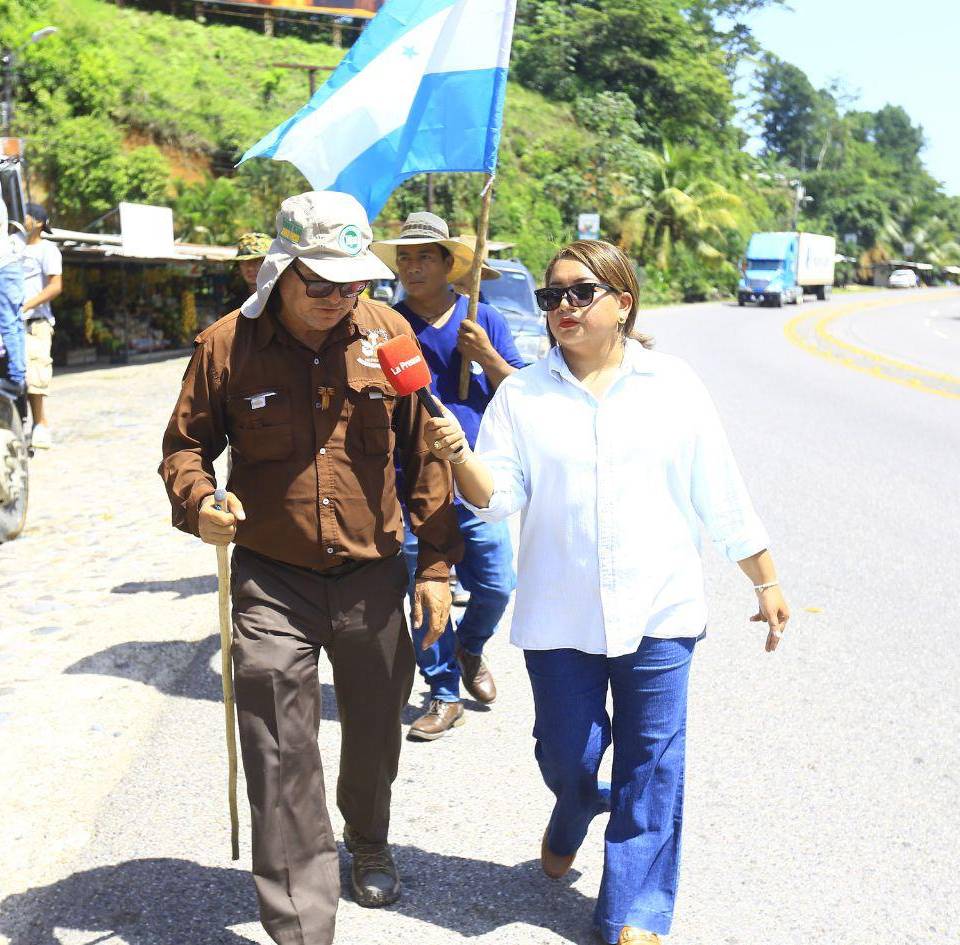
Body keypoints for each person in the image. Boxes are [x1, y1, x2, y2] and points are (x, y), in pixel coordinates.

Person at [424, 240, 791, 945]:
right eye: (551, 295)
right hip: (561, 617)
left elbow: (720, 490)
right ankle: (574, 806)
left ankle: (635, 911)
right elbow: (496, 498)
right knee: (569, 754)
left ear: (623, 302)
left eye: (580, 291)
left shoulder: (672, 384)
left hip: (661, 609)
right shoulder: (522, 395)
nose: (562, 305)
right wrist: (460, 455)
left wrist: (765, 578)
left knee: (652, 763)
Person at [159, 191, 463, 945]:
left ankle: (368, 837)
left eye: (352, 282)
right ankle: (302, 924)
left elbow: (428, 449)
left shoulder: (389, 335)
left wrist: (435, 566)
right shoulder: (227, 346)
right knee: (279, 750)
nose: (338, 298)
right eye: (320, 282)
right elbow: (185, 447)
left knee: (374, 733)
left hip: (373, 577)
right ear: (281, 269)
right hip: (272, 580)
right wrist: (200, 502)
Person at [372, 212, 526, 740]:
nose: (412, 267)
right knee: (428, 590)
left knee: (497, 585)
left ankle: (470, 648)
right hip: (410, 483)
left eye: (424, 257)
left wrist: (485, 356)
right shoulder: (385, 325)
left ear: (448, 264)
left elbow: (521, 393)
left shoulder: (484, 319)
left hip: (475, 480)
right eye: (405, 258)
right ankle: (443, 692)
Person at [20, 203, 62, 450]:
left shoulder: (48, 250)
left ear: (37, 223)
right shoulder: (11, 246)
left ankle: (40, 424)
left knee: (35, 372)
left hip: (36, 323)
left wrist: (26, 306)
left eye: (24, 216)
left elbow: (55, 286)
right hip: (10, 321)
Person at [0, 191, 26, 395]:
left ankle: (16, 378)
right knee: (14, 323)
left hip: (3, 267)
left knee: (8, 323)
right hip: (10, 266)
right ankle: (19, 375)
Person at [227, 231, 272, 312]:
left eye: (258, 261)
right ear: (238, 267)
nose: (250, 268)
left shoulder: (285, 301)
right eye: (244, 262)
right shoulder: (233, 305)